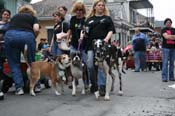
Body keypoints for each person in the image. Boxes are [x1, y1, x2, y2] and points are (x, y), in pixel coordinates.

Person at [4, 5, 40, 95]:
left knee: (14, 63)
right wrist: (33, 38)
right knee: (31, 62)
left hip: (10, 36)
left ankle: (19, 88)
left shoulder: (15, 17)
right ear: (31, 12)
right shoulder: (33, 17)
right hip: (27, 36)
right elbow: (36, 29)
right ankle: (35, 86)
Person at [84, 0, 116, 93]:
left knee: (101, 65)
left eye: (103, 5)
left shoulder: (107, 19)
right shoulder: (89, 20)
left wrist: (106, 39)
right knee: (90, 64)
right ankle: (94, 84)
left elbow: (111, 31)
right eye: (99, 5)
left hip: (102, 46)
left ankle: (102, 86)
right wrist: (83, 35)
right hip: (91, 45)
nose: (101, 6)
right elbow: (86, 32)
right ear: (95, 7)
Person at [67, 2, 87, 87]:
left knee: (84, 64)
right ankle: (74, 81)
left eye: (80, 10)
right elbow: (70, 30)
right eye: (77, 10)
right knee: (73, 63)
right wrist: (68, 39)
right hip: (74, 44)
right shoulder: (73, 19)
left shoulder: (85, 20)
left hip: (83, 45)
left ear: (83, 11)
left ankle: (86, 82)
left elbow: (85, 31)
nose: (78, 12)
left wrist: (82, 38)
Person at [0, 9, 11, 100]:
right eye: (5, 14)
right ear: (2, 15)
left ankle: (6, 79)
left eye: (8, 15)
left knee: (5, 64)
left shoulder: (10, 25)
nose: (6, 16)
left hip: (6, 46)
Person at [161, 18, 175, 82]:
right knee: (165, 62)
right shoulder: (163, 29)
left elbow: (168, 36)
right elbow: (166, 37)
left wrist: (169, 36)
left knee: (172, 63)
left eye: (169, 22)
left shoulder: (174, 29)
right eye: (167, 22)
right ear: (165, 23)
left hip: (173, 48)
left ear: (171, 23)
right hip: (165, 48)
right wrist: (172, 36)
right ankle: (164, 77)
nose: (168, 23)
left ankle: (171, 77)